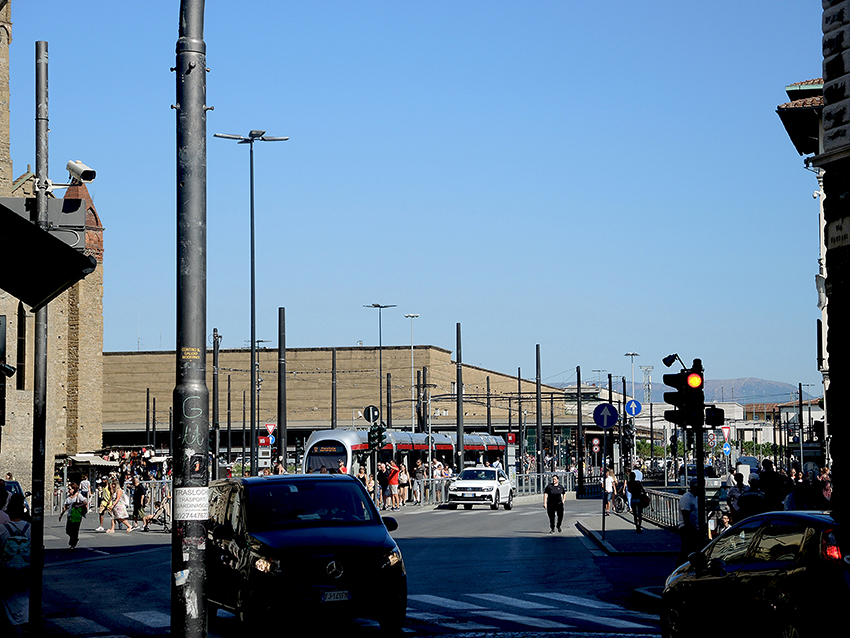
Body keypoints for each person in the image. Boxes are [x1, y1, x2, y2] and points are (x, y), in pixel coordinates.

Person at [0, 494, 30, 636]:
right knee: (24, 598)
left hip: (7, 570)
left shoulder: (3, 529)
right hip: (25, 569)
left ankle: (14, 626)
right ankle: (23, 623)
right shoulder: (30, 528)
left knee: (8, 599)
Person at [677, 479, 702, 565]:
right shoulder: (687, 498)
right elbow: (686, 516)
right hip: (687, 528)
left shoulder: (695, 497)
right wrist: (691, 530)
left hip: (693, 527)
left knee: (691, 550)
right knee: (686, 550)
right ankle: (680, 567)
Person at [59, 482, 87, 549]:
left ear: (74, 489)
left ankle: (73, 544)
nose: (68, 490)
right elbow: (65, 507)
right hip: (70, 515)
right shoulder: (68, 497)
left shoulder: (78, 495)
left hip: (77, 515)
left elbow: (85, 502)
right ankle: (74, 538)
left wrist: (78, 505)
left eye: (69, 489)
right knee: (68, 530)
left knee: (75, 530)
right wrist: (61, 515)